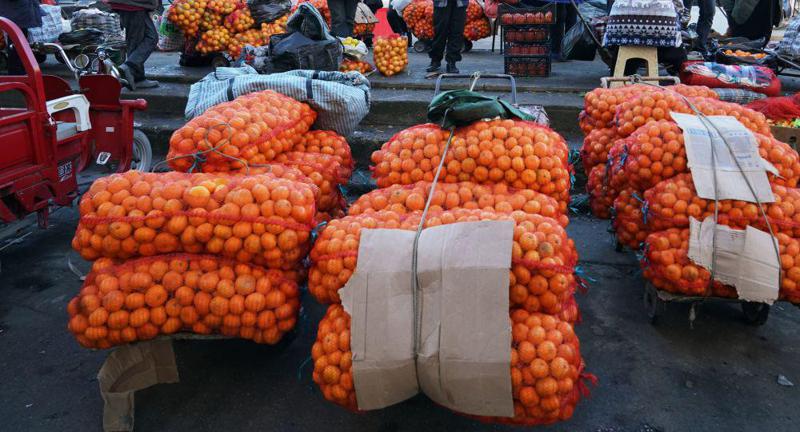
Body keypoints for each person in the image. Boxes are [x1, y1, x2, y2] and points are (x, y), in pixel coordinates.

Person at [603, 0, 687, 76]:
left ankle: (622, 75)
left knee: (623, 46)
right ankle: (684, 78)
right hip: (663, 46)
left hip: (623, 40)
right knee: (677, 50)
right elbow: (679, 6)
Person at [106, 0, 159, 89]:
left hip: (133, 5)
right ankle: (130, 67)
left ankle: (137, 77)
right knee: (145, 39)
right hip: (133, 5)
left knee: (140, 39)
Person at [0, 0, 42, 75]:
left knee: (20, 45)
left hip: (20, 13)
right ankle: (16, 74)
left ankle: (21, 72)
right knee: (16, 46)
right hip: (14, 14)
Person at [428, 0, 468, 74]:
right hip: (441, 3)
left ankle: (451, 62)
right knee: (440, 31)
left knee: (457, 31)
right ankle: (435, 60)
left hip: (460, 3)